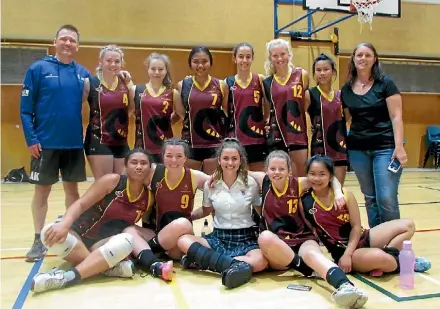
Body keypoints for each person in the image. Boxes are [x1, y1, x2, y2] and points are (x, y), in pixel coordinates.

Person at [31, 149, 175, 293]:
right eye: (134, 162)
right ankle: (103, 267)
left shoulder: (148, 198)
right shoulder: (112, 181)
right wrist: (64, 224)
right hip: (77, 237)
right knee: (47, 233)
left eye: (144, 163)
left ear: (150, 168)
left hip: (101, 245)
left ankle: (67, 277)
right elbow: (81, 204)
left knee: (128, 240)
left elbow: (140, 230)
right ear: (126, 166)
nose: (139, 166)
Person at [252, 151, 367, 308]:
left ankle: (346, 286)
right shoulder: (263, 181)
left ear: (289, 171)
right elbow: (236, 169)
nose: (277, 172)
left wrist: (339, 192)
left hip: (302, 239)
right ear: (266, 170)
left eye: (281, 169)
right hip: (279, 248)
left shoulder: (298, 183)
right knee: (265, 237)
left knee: (313, 255)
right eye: (273, 169)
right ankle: (305, 268)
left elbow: (329, 178)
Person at [20, 25, 91, 262]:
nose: (67, 43)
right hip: (45, 144)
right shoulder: (38, 69)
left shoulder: (83, 73)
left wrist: (124, 78)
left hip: (72, 144)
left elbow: (105, 88)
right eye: (64, 39)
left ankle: (72, 231)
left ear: (77, 46)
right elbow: (25, 110)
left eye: (72, 40)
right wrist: (31, 139)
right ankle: (38, 239)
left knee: (73, 190)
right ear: (55, 42)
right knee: (42, 191)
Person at [301, 155, 431, 277]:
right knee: (380, 258)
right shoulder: (305, 201)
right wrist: (345, 256)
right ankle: (403, 263)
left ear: (330, 177)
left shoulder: (345, 195)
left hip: (363, 238)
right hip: (344, 252)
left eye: (322, 174)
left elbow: (356, 227)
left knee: (408, 225)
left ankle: (385, 261)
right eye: (312, 174)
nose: (316, 178)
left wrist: (349, 253)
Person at [177, 138, 268, 289]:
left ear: (241, 161)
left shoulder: (250, 182)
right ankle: (234, 265)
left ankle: (206, 261)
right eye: (225, 158)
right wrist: (186, 217)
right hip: (218, 237)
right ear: (219, 160)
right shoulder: (210, 184)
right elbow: (206, 210)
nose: (230, 163)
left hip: (245, 237)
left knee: (261, 261)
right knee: (183, 241)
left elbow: (260, 209)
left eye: (234, 159)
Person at [342, 42, 407, 227]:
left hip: (385, 148)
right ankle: (378, 242)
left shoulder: (385, 83)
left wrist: (399, 146)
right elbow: (346, 119)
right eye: (359, 55)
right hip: (358, 150)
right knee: (370, 197)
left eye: (367, 55)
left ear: (375, 59)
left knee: (386, 197)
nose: (363, 59)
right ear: (353, 59)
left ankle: (394, 244)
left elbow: (396, 117)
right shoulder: (346, 89)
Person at [141, 138, 211, 259]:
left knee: (180, 236)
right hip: (155, 232)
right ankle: (153, 250)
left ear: (186, 157)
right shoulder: (152, 172)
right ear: (162, 156)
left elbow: (220, 190)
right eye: (169, 155)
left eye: (179, 156)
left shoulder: (195, 176)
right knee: (129, 231)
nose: (174, 160)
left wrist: (193, 216)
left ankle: (146, 252)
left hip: (181, 234)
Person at [178, 46, 229, 175]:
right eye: (196, 61)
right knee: (189, 186)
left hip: (214, 143)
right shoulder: (182, 85)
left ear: (211, 62)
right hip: (190, 143)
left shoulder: (221, 85)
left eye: (204, 61)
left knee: (212, 186)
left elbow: (227, 113)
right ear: (190, 63)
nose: (200, 65)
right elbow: (182, 112)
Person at [83, 45, 132, 179]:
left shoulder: (126, 82)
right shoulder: (90, 82)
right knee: (105, 185)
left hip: (121, 141)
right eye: (109, 60)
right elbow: (73, 105)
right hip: (98, 140)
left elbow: (132, 108)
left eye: (117, 61)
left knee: (120, 185)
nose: (113, 64)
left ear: (122, 63)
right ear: (101, 61)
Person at [262, 39, 309, 177]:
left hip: (297, 134)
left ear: (289, 55)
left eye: (283, 54)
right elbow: (268, 110)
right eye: (275, 55)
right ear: (270, 58)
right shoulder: (267, 82)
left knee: (300, 179)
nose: (279, 58)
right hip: (277, 136)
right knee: (279, 179)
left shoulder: (302, 75)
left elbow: (305, 104)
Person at [133, 53, 185, 163]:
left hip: (164, 146)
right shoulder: (136, 90)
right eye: (153, 69)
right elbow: (131, 112)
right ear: (148, 70)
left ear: (166, 71)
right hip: (142, 145)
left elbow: (182, 115)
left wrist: (167, 122)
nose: (157, 72)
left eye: (160, 69)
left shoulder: (173, 93)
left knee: (162, 178)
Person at [225, 43, 269, 171]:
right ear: (235, 58)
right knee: (239, 178)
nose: (244, 60)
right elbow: (225, 110)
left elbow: (267, 104)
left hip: (257, 139)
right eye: (241, 56)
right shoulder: (227, 83)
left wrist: (265, 122)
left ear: (252, 58)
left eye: (248, 57)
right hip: (236, 140)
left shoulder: (260, 79)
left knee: (258, 178)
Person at [305, 54, 348, 184]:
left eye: (326, 69)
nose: (322, 73)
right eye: (318, 70)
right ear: (314, 73)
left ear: (333, 71)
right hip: (319, 149)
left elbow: (347, 118)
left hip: (339, 148)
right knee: (321, 189)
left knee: (338, 190)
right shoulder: (309, 94)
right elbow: (303, 119)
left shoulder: (341, 95)